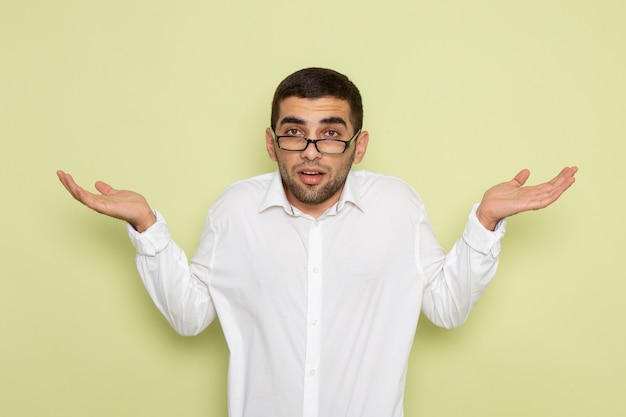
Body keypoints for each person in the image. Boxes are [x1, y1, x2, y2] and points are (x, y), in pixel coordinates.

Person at [57, 67, 577, 417]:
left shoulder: (397, 205)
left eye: (330, 134)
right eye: (293, 132)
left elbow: (446, 309)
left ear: (359, 144)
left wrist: (485, 222)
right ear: (270, 141)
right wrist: (148, 227)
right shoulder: (235, 209)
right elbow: (191, 316)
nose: (311, 152)